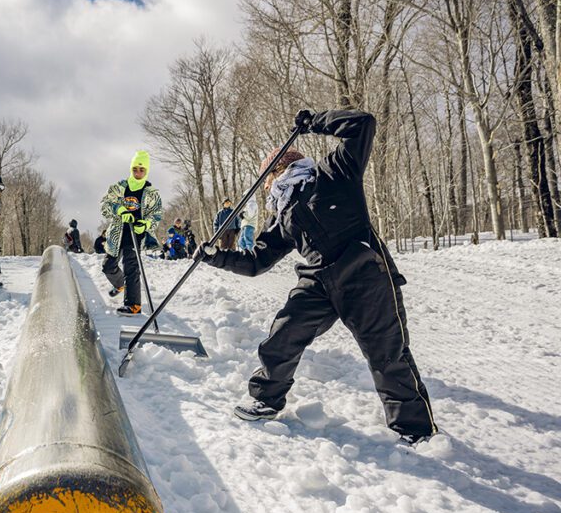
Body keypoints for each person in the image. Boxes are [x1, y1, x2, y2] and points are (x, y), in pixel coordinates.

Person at [196, 109, 437, 445]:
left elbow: (363, 124)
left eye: (269, 177)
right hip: (319, 281)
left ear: (280, 168)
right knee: (283, 335)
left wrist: (317, 122)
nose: (268, 186)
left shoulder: (335, 172)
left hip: (365, 274)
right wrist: (215, 257)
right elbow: (257, 261)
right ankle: (266, 398)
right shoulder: (283, 213)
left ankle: (415, 430)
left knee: (387, 354)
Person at [99, 151, 162, 315]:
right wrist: (119, 209)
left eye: (142, 170)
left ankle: (133, 305)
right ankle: (120, 284)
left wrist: (146, 224)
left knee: (131, 268)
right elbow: (105, 204)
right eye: (135, 169)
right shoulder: (120, 187)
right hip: (117, 233)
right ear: (131, 169)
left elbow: (156, 214)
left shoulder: (151, 192)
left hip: (136, 236)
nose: (138, 173)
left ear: (146, 171)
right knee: (107, 267)